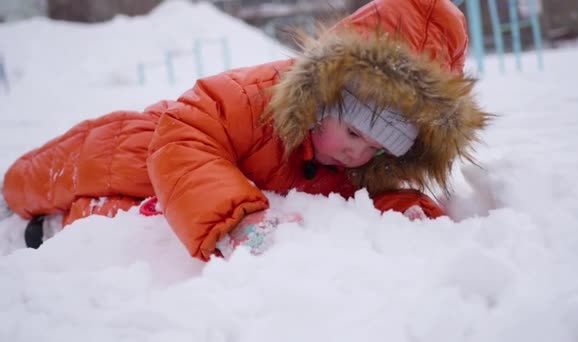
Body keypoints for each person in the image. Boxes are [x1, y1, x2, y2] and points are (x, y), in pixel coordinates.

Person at [1, 0, 489, 260]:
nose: (358, 154)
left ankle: (63, 228)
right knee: (49, 176)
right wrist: (235, 220)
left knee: (140, 225)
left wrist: (409, 212)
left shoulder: (364, 162)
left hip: (184, 189)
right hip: (152, 144)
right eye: (354, 133)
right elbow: (186, 131)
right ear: (324, 97)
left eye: (379, 148)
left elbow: (379, 196)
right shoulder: (259, 94)